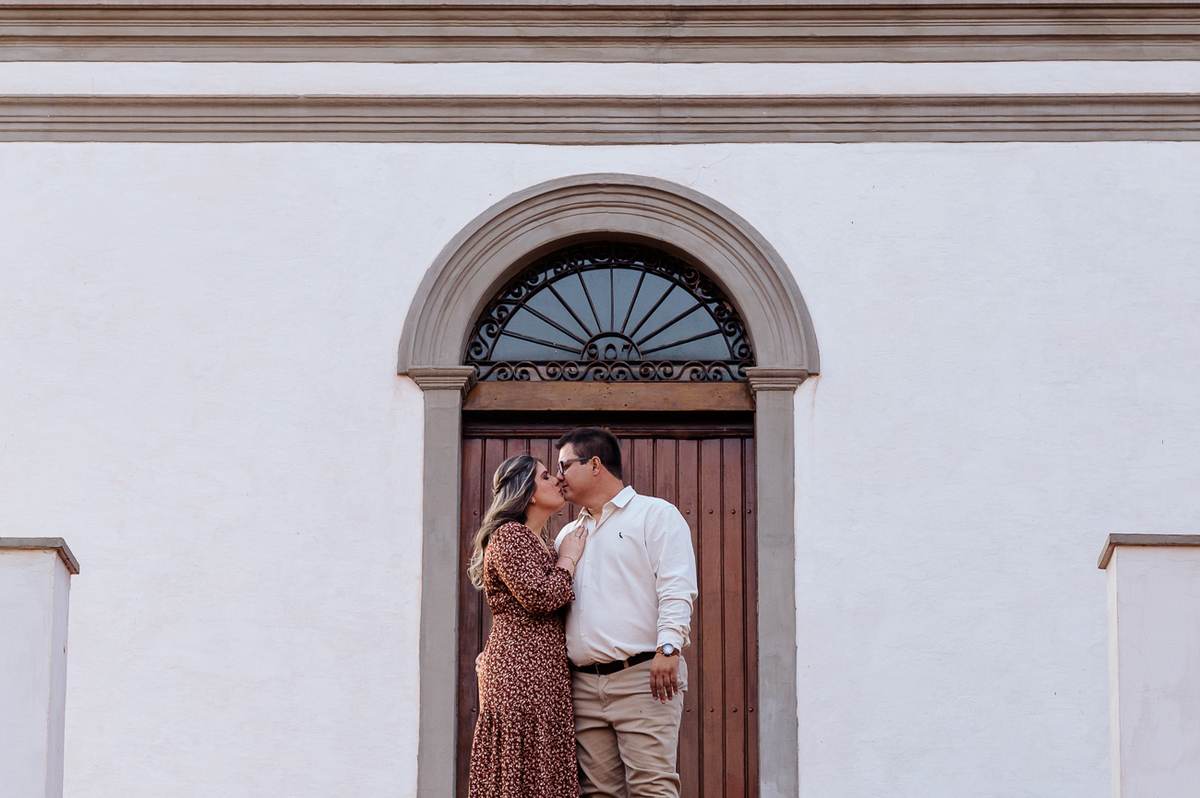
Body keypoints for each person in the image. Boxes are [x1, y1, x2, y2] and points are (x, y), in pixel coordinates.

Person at [553, 428, 699, 798]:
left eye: (564, 465)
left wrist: (669, 649)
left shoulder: (655, 515)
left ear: (595, 464)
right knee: (597, 793)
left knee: (652, 788)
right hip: (582, 686)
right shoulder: (568, 534)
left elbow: (676, 588)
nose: (558, 477)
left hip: (644, 678)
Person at [467, 454, 590, 798]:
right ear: (529, 493)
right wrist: (569, 557)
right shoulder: (510, 536)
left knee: (541, 771)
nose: (557, 480)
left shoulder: (540, 544)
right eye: (546, 476)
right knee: (522, 772)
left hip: (543, 673)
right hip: (520, 673)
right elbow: (540, 598)